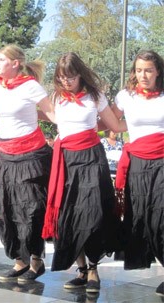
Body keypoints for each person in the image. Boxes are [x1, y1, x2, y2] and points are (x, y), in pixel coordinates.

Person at [0, 44, 55, 284]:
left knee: (31, 210)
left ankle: (35, 259)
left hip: (31, 156)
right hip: (5, 154)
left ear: (15, 64)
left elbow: (52, 113)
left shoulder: (31, 86)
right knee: (6, 209)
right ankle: (19, 261)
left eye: (1, 59)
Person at [42, 52, 127, 293]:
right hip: (65, 160)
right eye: (61, 77)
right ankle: (81, 270)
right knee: (68, 215)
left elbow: (113, 125)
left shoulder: (95, 96)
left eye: (70, 76)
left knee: (92, 213)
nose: (66, 81)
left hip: (91, 158)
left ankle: (93, 268)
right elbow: (45, 115)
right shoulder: (56, 98)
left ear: (80, 74)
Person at [111, 50, 164, 296]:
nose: (143, 75)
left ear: (158, 72)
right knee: (142, 217)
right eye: (139, 70)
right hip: (138, 165)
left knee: (160, 218)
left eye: (149, 70)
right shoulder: (126, 96)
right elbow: (110, 121)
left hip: (163, 161)